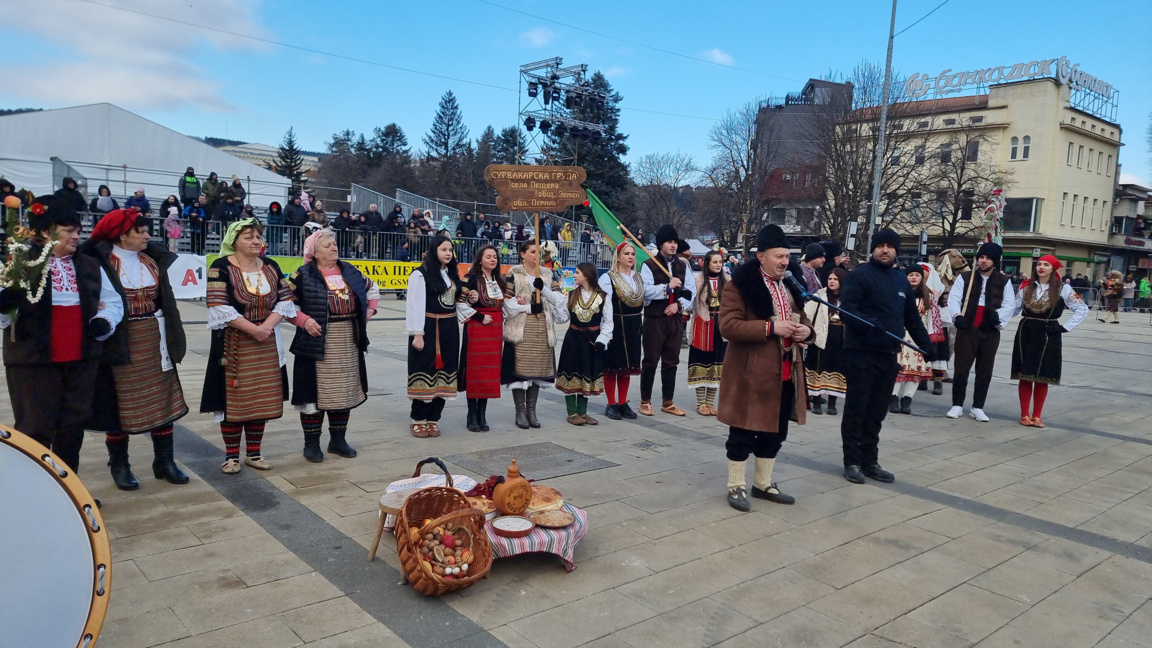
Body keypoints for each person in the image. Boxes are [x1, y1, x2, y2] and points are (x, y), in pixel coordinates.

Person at [0, 196, 122, 477]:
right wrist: (6, 304)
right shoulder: (19, 261)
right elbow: (6, 316)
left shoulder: (90, 264)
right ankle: (35, 492)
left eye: (78, 230)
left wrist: (104, 321)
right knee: (35, 429)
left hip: (81, 358)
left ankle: (69, 491)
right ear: (45, 231)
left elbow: (113, 302)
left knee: (72, 427)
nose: (77, 236)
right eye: (69, 230)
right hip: (33, 360)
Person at [82, 208, 190, 490]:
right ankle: (119, 464)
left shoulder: (152, 260)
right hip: (119, 339)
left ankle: (164, 461)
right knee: (118, 403)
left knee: (162, 398)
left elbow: (165, 301)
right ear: (121, 235)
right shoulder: (100, 263)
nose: (147, 235)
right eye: (140, 231)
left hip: (155, 337)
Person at [718, 225, 813, 511]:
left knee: (776, 431)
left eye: (787, 256)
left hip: (785, 371)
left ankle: (763, 483)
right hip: (751, 372)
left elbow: (805, 320)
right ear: (761, 256)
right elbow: (728, 326)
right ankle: (736, 486)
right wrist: (770, 327)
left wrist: (806, 332)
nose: (785, 261)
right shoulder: (740, 285)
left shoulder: (790, 284)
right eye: (778, 256)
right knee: (743, 432)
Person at [200, 218, 297, 473]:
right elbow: (218, 304)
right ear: (234, 242)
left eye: (258, 237)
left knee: (260, 397)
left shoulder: (271, 266)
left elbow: (286, 300)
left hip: (265, 341)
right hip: (233, 342)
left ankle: (254, 453)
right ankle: (231, 455)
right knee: (234, 398)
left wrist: (266, 327)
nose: (256, 241)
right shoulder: (220, 267)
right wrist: (254, 329)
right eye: (248, 237)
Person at [839, 229, 934, 484]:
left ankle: (870, 460)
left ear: (896, 250)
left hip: (888, 353)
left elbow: (911, 318)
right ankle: (852, 461)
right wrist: (870, 323)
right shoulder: (859, 276)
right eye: (880, 245)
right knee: (857, 409)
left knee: (877, 411)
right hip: (860, 353)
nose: (885, 250)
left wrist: (928, 346)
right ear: (873, 249)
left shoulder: (900, 280)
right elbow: (847, 311)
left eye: (889, 246)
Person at [288, 229, 376, 462]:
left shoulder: (350, 271)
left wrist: (369, 311)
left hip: (347, 338)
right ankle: (312, 444)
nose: (334, 248)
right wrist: (304, 321)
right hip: (315, 340)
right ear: (314, 252)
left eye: (334, 244)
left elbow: (372, 289)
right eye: (327, 245)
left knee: (343, 389)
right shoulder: (302, 274)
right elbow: (286, 303)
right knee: (314, 392)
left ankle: (338, 441)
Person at [1011, 255, 1089, 428]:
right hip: (1027, 331)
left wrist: (1064, 327)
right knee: (1025, 374)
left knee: (1042, 376)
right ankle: (1024, 415)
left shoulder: (1063, 289)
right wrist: (997, 320)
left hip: (1049, 333)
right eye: (1039, 264)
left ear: (1053, 269)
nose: (1041, 267)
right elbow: (1013, 308)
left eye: (1046, 265)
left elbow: (1082, 309)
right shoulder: (1026, 286)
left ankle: (1037, 416)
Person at [501, 239, 568, 429]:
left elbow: (559, 299)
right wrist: (530, 307)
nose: (536, 255)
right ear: (522, 254)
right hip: (521, 329)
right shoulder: (515, 273)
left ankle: (532, 410)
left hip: (541, 329)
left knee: (537, 370)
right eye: (531, 252)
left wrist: (544, 290)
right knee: (521, 372)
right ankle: (520, 411)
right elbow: (507, 303)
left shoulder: (547, 274)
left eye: (537, 252)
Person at [946, 242, 1016, 422]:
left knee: (985, 369)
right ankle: (957, 404)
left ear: (995, 261)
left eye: (988, 258)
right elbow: (954, 299)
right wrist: (957, 316)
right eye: (981, 257)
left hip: (989, 329)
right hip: (967, 327)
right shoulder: (965, 278)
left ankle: (978, 407)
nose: (983, 261)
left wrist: (998, 316)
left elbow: (1010, 304)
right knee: (961, 367)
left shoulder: (1004, 281)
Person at [406, 236, 462, 438]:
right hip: (429, 328)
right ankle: (418, 419)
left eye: (450, 250)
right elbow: (414, 306)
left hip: (449, 330)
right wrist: (417, 334)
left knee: (445, 373)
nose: (448, 253)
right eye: (443, 249)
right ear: (433, 251)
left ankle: (433, 419)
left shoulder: (451, 274)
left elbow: (454, 300)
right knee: (424, 371)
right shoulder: (420, 275)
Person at [639, 224, 693, 417]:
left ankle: (668, 401)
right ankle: (645, 401)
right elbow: (645, 291)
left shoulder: (681, 265)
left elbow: (689, 291)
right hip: (655, 319)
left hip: (675, 320)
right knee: (651, 360)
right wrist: (666, 288)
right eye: (669, 242)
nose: (673, 246)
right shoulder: (649, 264)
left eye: (675, 242)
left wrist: (678, 304)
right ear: (661, 243)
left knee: (671, 361)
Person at [458, 245, 507, 432]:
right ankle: (471, 414)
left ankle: (482, 414)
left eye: (494, 257)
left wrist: (523, 304)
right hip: (477, 328)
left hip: (494, 330)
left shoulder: (500, 281)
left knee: (489, 372)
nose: (492, 260)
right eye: (488, 257)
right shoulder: (469, 279)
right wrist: (478, 315)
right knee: (475, 371)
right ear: (480, 260)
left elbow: (507, 304)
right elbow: (459, 302)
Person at [556, 263, 612, 425]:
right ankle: (572, 412)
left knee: (586, 372)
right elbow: (561, 318)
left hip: (591, 341)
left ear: (586, 275)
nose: (575, 275)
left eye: (578, 272)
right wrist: (556, 304)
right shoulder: (572, 294)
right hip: (573, 340)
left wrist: (602, 339)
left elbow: (608, 322)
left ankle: (583, 412)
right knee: (571, 371)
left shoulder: (602, 296)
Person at [889, 264, 944, 415]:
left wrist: (930, 339)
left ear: (922, 278)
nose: (914, 277)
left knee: (915, 370)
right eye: (911, 275)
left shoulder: (929, 296)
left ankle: (907, 399)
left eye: (917, 275)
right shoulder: (898, 292)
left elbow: (933, 319)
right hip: (900, 335)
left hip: (918, 338)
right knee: (897, 368)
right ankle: (892, 397)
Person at [598, 242, 644, 420]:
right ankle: (611, 404)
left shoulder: (637, 277)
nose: (631, 257)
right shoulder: (608, 278)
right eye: (627, 254)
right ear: (618, 257)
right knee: (612, 366)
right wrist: (604, 331)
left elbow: (645, 299)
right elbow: (603, 306)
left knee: (627, 367)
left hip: (634, 325)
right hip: (615, 324)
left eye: (632, 254)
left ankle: (623, 402)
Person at [687, 250, 728, 416]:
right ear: (707, 264)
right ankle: (700, 403)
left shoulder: (727, 281)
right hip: (703, 326)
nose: (718, 265)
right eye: (715, 262)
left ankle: (710, 403)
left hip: (720, 328)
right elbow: (691, 304)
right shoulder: (698, 281)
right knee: (701, 364)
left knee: (717, 365)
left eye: (720, 262)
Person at [804, 268, 848, 415]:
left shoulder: (848, 299)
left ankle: (832, 403)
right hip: (821, 339)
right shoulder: (819, 296)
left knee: (837, 369)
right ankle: (816, 401)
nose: (832, 281)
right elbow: (807, 315)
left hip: (840, 341)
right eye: (830, 279)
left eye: (835, 279)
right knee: (818, 368)